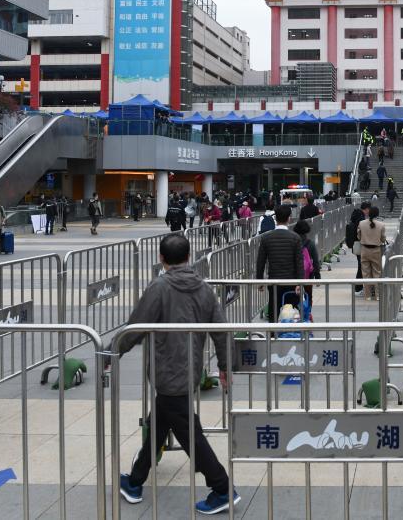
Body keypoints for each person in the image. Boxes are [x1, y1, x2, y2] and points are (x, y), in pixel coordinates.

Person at [116, 234, 239, 514]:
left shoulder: (159, 287)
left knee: (189, 433)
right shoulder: (204, 288)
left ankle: (222, 488)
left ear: (161, 258)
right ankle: (135, 481)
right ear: (188, 256)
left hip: (166, 370)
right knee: (160, 424)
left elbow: (136, 325)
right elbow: (221, 330)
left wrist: (115, 350)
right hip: (190, 368)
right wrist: (225, 365)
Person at [255, 204, 303, 322]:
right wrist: (300, 283)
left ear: (275, 219)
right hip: (291, 281)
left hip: (274, 280)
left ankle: (272, 331)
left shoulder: (266, 238)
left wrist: (259, 281)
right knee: (291, 311)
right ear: (289, 218)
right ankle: (290, 331)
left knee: (273, 309)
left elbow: (260, 261)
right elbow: (299, 262)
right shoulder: (295, 238)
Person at [292, 219, 321, 316]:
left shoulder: (293, 242)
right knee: (308, 295)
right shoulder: (310, 243)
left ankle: (297, 314)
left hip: (294, 275)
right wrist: (317, 277)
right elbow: (315, 261)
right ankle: (307, 315)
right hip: (308, 275)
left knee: (294, 295)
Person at [357, 206, 386, 301]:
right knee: (377, 273)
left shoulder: (361, 223)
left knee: (366, 273)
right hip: (376, 250)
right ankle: (377, 295)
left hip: (364, 250)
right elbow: (383, 239)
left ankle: (367, 295)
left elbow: (359, 236)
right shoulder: (381, 225)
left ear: (369, 213)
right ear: (377, 214)